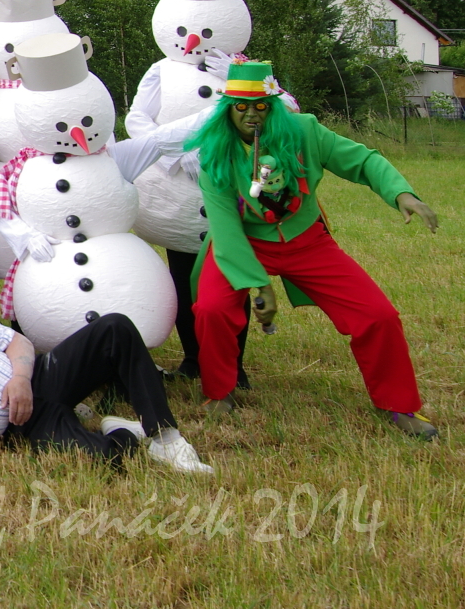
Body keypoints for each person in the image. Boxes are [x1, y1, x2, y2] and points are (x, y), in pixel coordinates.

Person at [186, 61, 441, 438]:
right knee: (212, 309)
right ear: (228, 109)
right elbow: (224, 227)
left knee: (378, 315)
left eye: (261, 106)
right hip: (242, 242)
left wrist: (401, 193)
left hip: (306, 239)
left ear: (274, 106)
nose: (251, 114)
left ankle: (398, 405)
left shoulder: (305, 131)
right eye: (241, 106)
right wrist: (259, 284)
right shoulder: (215, 153)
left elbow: (363, 160)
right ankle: (218, 392)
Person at [0, 271, 214, 473]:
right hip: (21, 422)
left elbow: (16, 341)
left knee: (114, 327)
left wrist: (19, 378)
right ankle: (125, 434)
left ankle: (165, 437)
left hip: (39, 378)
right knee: (103, 459)